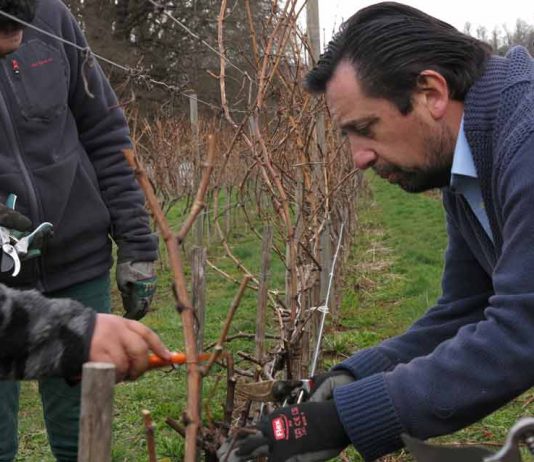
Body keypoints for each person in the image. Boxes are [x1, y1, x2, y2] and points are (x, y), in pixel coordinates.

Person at [219, 2, 534, 461]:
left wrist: (348, 417)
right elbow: (468, 308)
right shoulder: (468, 161)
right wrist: (355, 377)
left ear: (431, 92)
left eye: (365, 128)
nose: (358, 158)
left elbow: (523, 328)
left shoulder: (524, 141)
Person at [0, 0, 158, 461]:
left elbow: (105, 132)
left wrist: (136, 240)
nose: (16, 50)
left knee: (85, 437)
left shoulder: (54, 18)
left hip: (76, 264)